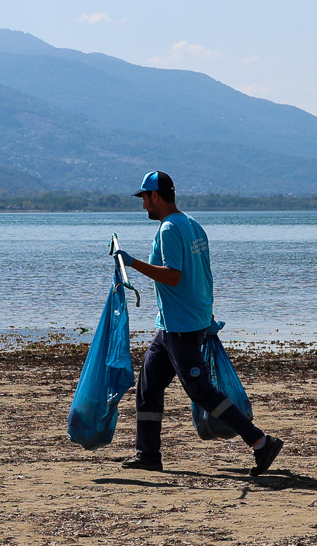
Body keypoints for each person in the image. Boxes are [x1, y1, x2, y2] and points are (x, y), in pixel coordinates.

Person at [118, 171, 284, 476]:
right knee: (148, 386)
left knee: (201, 391)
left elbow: (174, 275)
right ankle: (148, 455)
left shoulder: (170, 228)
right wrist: (207, 313)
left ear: (155, 195)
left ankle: (260, 442)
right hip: (172, 325)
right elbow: (205, 275)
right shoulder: (193, 225)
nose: (143, 206)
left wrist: (132, 263)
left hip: (182, 327)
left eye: (144, 198)